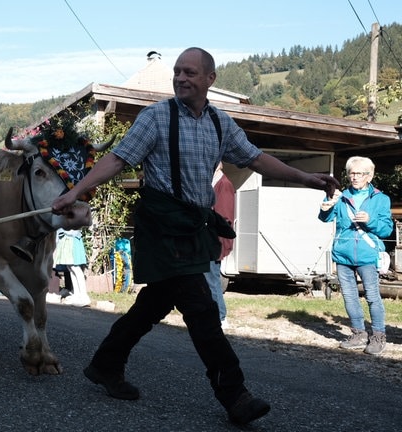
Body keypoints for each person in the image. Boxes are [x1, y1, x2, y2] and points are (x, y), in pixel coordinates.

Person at [51, 47, 339, 426]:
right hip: (162, 224)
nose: (181, 78)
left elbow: (255, 158)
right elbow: (118, 159)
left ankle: (106, 364)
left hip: (193, 226)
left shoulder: (220, 123)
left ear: (210, 79)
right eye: (177, 72)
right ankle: (234, 395)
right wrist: (75, 190)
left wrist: (305, 177)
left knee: (154, 304)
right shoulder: (155, 118)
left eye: (189, 72)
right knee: (201, 308)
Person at [318, 156, 393, 355]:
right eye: (351, 173)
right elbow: (326, 218)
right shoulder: (340, 197)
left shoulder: (381, 199)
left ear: (369, 176)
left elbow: (386, 230)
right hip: (343, 254)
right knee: (349, 296)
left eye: (359, 173)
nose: (354, 177)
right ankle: (358, 334)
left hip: (368, 255)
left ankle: (378, 336)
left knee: (372, 296)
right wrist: (325, 206)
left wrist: (370, 221)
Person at [204, 162, 235, 328]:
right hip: (209, 239)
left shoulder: (223, 184)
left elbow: (224, 217)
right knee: (208, 278)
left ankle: (221, 317)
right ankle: (215, 315)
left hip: (215, 240)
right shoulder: (214, 183)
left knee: (212, 278)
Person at [53, 228, 90, 307]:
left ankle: (84, 296)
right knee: (70, 268)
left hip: (71, 238)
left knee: (75, 267)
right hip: (66, 238)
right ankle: (76, 294)